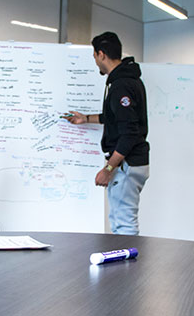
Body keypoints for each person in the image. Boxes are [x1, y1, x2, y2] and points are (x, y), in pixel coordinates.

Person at [64, 32, 149, 235]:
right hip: (132, 162)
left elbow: (129, 133)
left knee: (124, 225)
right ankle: (126, 264)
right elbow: (115, 118)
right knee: (120, 222)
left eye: (94, 56)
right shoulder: (125, 80)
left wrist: (109, 168)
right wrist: (86, 118)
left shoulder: (121, 85)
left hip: (127, 164)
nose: (95, 62)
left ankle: (130, 266)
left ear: (101, 54)